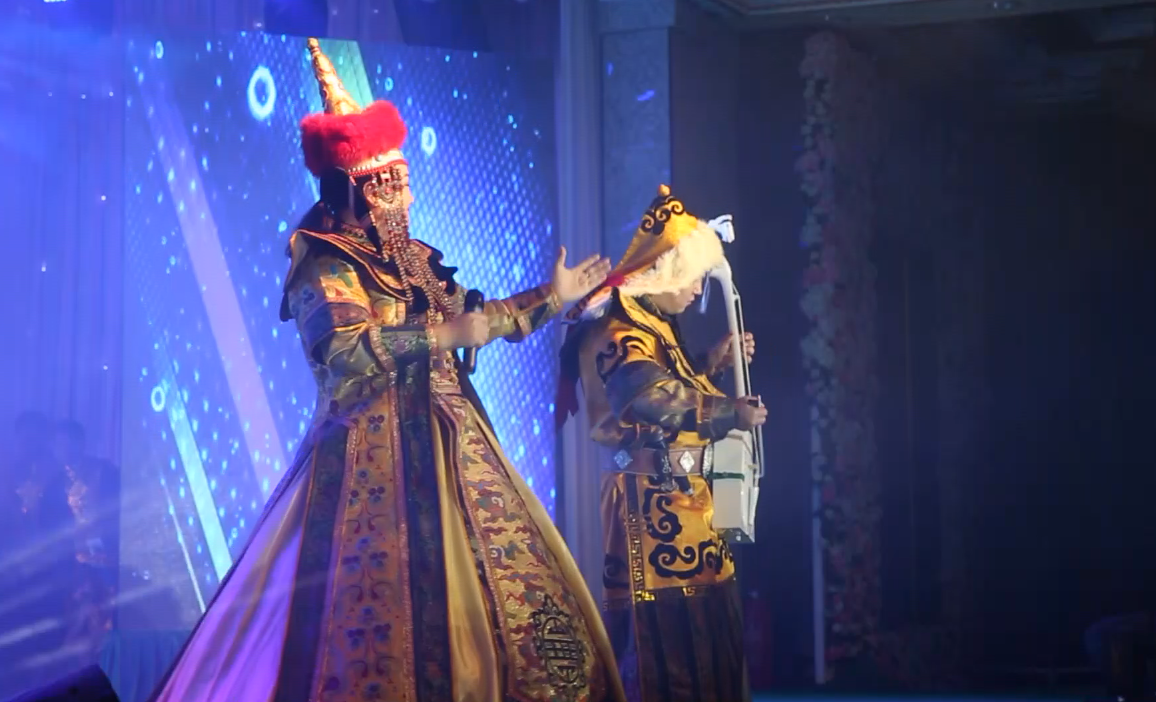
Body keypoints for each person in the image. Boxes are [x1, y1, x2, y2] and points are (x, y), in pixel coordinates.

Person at [148, 38, 626, 702]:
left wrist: (552, 297)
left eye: (402, 180)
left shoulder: (413, 258)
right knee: (372, 621)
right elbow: (343, 349)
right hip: (366, 460)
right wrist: (442, 334)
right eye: (386, 184)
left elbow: (476, 319)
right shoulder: (325, 262)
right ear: (352, 186)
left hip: (453, 444)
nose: (403, 196)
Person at [556, 184, 766, 702]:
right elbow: (646, 398)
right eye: (692, 279)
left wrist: (711, 364)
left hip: (688, 507)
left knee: (711, 640)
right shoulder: (617, 327)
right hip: (650, 513)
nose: (697, 291)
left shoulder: (654, 326)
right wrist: (727, 411)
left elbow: (670, 386)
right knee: (670, 651)